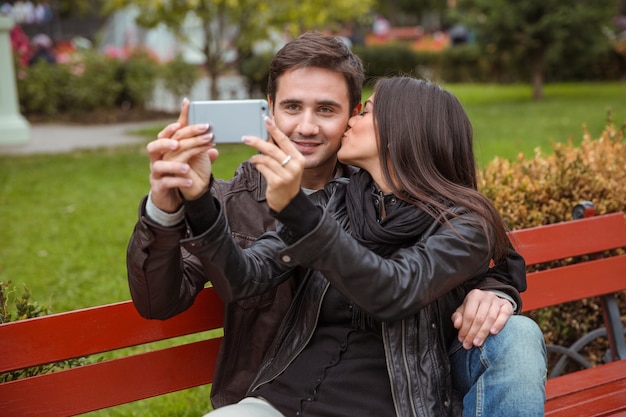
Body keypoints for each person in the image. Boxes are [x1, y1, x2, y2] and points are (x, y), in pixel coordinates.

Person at [126, 32, 545, 414]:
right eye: (292, 107)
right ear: (269, 110)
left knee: (520, 335)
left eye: (328, 110)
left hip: (389, 400)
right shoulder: (331, 203)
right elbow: (238, 278)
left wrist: (496, 290)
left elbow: (410, 280)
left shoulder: (441, 216)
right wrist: (193, 200)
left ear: (363, 117)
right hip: (277, 393)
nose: (306, 127)